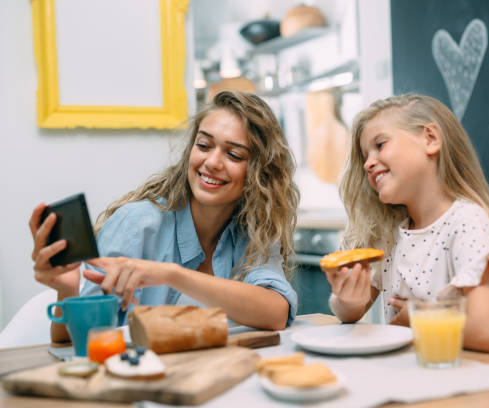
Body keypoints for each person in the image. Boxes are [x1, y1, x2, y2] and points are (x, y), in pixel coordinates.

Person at [30, 91, 300, 343]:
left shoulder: (252, 231)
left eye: (233, 154)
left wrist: (172, 275)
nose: (213, 162)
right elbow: (79, 339)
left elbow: (275, 313)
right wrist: (67, 292)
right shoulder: (135, 224)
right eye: (204, 145)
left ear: (259, 173)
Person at [324, 93, 489, 353]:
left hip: (478, 384)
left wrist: (417, 317)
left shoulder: (467, 222)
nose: (367, 163)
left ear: (430, 139)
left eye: (380, 145)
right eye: (365, 155)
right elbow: (347, 312)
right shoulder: (390, 235)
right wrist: (347, 299)